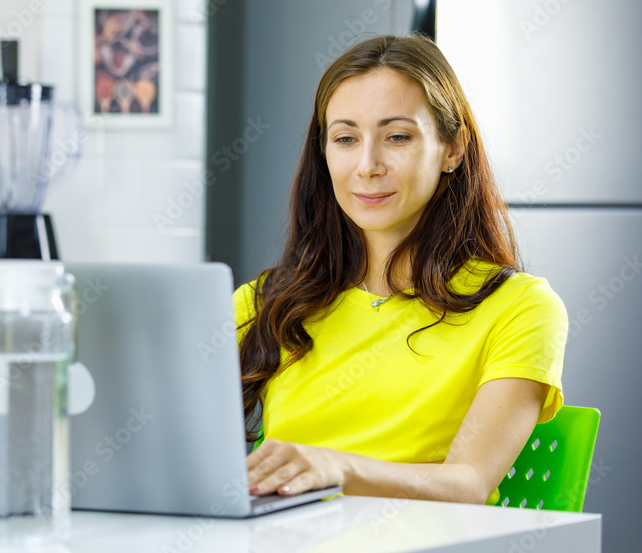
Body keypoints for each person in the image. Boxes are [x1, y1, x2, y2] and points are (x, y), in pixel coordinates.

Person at [236, 34, 568, 504]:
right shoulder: (268, 301)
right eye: (346, 138)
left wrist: (336, 468)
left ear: (453, 149)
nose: (368, 165)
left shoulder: (520, 307)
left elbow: (469, 484)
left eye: (397, 137)